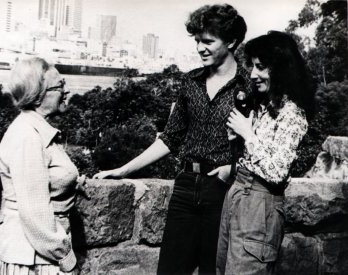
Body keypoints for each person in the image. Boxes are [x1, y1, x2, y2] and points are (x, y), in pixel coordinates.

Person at [93, 4, 250, 274]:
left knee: (215, 270)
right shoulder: (191, 82)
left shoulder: (248, 86)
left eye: (208, 41)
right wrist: (122, 170)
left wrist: (233, 169)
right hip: (186, 187)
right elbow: (170, 139)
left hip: (225, 191)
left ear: (232, 41)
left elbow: (259, 143)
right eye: (197, 41)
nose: (200, 48)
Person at [215, 31, 316, 275]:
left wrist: (248, 134)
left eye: (261, 67)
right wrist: (238, 141)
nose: (253, 74)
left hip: (260, 205)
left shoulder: (292, 114)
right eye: (252, 66)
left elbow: (277, 171)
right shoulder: (266, 107)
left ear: (280, 69)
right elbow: (257, 158)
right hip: (238, 194)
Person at [0, 57, 80, 275]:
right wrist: (66, 257)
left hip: (39, 256)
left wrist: (71, 185)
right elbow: (34, 212)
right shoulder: (28, 136)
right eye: (61, 85)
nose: (67, 90)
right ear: (38, 95)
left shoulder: (36, 130)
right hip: (34, 259)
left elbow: (45, 180)